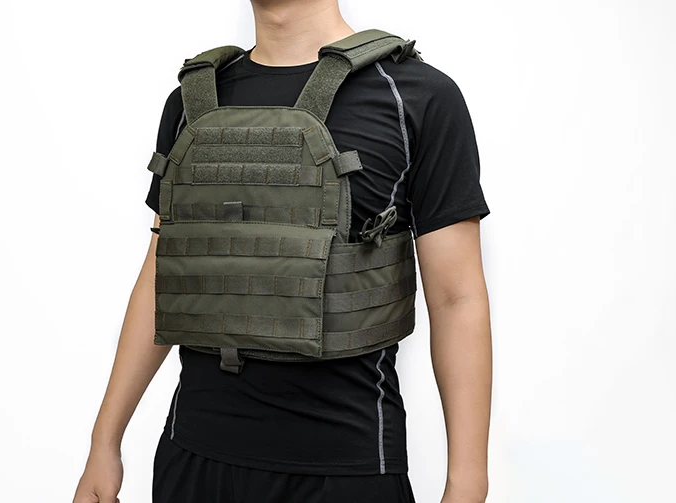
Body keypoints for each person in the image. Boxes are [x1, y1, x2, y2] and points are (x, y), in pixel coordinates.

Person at [73, 1, 492, 502]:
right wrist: (105, 441)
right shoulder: (190, 102)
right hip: (192, 460)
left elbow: (457, 299)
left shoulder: (415, 97)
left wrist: (468, 483)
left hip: (346, 471)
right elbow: (161, 273)